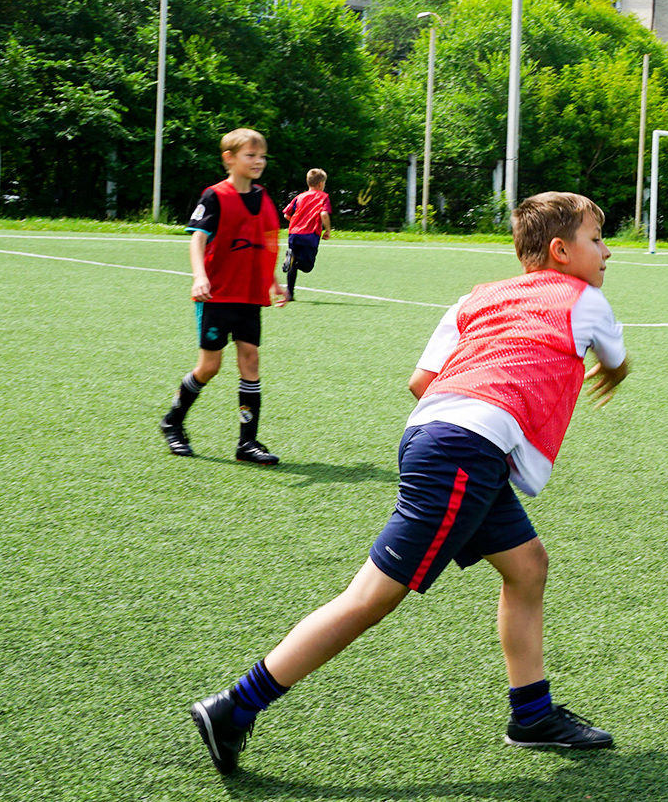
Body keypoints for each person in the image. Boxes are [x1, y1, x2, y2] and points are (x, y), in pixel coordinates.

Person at [188, 192, 630, 774]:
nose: (607, 253)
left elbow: (422, 380)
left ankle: (532, 713)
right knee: (371, 598)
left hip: (438, 437)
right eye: (598, 240)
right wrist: (606, 373)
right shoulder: (585, 299)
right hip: (465, 453)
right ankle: (235, 707)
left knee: (528, 567)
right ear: (561, 250)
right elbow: (617, 360)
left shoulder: (476, 296)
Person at [159, 128, 287, 465]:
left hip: (248, 295)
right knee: (209, 366)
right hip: (216, 295)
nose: (258, 161)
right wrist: (200, 276)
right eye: (250, 155)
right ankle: (172, 422)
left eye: (262, 156)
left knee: (251, 359)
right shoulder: (214, 196)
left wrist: (274, 281)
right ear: (229, 159)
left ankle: (248, 443)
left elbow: (264, 242)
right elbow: (197, 239)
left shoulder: (262, 197)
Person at [280, 168, 333, 302]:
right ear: (321, 184)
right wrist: (327, 230)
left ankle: (289, 293)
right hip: (310, 234)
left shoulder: (299, 196)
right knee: (307, 266)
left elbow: (286, 214)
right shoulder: (323, 197)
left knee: (293, 262)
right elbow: (324, 214)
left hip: (293, 233)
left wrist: (297, 222)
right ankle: (293, 260)